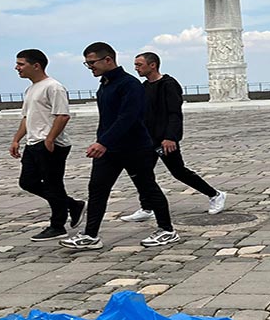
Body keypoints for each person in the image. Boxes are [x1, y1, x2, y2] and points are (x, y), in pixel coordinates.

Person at [61, 42, 178, 251]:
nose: (90, 67)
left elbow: (128, 118)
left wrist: (103, 142)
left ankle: (167, 230)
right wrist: (102, 141)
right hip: (110, 150)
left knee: (147, 187)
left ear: (108, 60)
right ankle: (90, 235)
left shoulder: (129, 84)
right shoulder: (105, 84)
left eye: (92, 63)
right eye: (86, 64)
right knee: (97, 189)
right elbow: (107, 119)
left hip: (135, 148)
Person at [122, 51, 227, 220]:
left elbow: (174, 113)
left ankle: (215, 195)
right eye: (135, 65)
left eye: (139, 65)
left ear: (152, 65)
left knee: (178, 171)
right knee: (142, 172)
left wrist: (171, 137)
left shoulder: (168, 84)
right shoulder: (144, 87)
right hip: (147, 139)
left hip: (164, 140)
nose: (136, 68)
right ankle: (147, 207)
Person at [9, 49, 84, 241]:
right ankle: (73, 205)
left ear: (36, 65)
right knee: (27, 182)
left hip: (51, 144)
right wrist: (17, 139)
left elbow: (63, 115)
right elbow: (27, 117)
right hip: (33, 143)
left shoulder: (54, 87)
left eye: (21, 64)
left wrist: (50, 138)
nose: (17, 68)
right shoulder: (30, 89)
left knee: (53, 185)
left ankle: (57, 225)